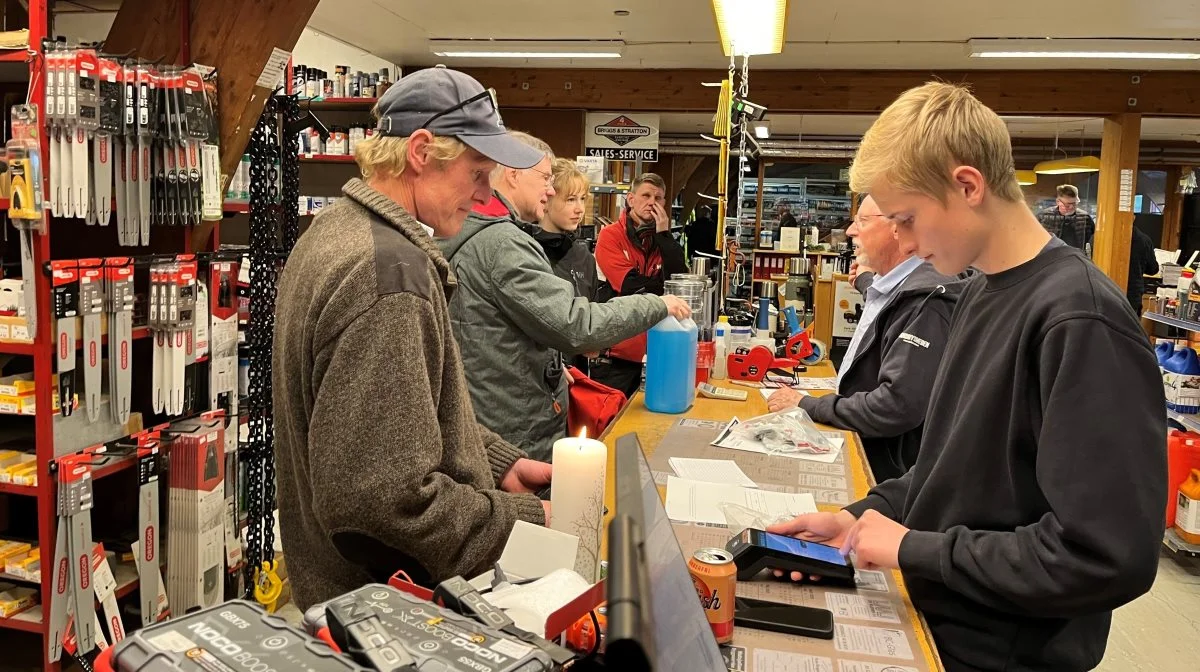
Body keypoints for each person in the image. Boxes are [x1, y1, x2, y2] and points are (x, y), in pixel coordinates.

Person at [769, 82, 1164, 672]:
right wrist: (856, 518)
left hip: (998, 651)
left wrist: (915, 548)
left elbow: (1105, 556)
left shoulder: (1080, 319)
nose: (899, 241)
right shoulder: (977, 292)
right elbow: (946, 472)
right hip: (931, 615)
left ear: (967, 185)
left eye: (906, 218)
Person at [272, 68, 556, 610]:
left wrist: (495, 461)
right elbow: (383, 499)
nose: (485, 192)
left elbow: (393, 415)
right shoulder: (389, 275)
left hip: (341, 596)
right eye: (477, 172)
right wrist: (522, 521)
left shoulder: (334, 229)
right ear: (422, 151)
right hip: (381, 614)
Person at [441, 134, 690, 462]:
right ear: (514, 174)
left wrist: (548, 360)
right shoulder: (503, 244)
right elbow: (576, 324)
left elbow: (499, 330)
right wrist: (657, 304)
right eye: (545, 178)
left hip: (491, 421)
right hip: (514, 433)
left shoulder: (471, 232)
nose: (549, 189)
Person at [766, 195, 964, 480]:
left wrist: (807, 404)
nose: (850, 231)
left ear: (897, 229)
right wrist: (867, 280)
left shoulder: (927, 302)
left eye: (862, 220)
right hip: (866, 449)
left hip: (884, 475)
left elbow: (896, 407)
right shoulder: (903, 288)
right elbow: (887, 301)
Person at [592, 173, 689, 397]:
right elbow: (629, 285)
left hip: (657, 351)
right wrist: (662, 288)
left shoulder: (661, 240)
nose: (652, 202)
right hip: (616, 357)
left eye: (658, 197)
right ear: (631, 199)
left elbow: (678, 280)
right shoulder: (610, 236)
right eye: (646, 195)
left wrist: (664, 234)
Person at [536, 158, 598, 301]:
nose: (580, 209)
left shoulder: (584, 257)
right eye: (570, 199)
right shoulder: (528, 251)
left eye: (582, 199)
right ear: (546, 200)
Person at [1036, 184, 1096, 251]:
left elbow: (1093, 241)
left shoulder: (1085, 217)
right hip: (1050, 256)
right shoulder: (1044, 216)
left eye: (1074, 203)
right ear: (1058, 202)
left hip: (1075, 256)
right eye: (1067, 205)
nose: (1071, 207)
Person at [1127, 226, 1160, 315]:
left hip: (1106, 292)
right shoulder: (1144, 240)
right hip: (1132, 295)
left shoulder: (1102, 235)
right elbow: (1153, 269)